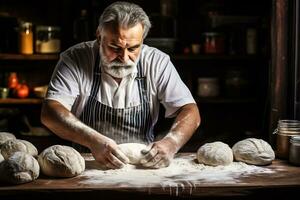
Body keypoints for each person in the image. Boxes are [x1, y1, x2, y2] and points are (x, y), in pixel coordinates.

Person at [41, 1, 201, 169]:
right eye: (115, 48)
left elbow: (190, 110)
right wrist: (92, 140)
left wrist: (171, 143)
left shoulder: (157, 62)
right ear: (99, 36)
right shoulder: (76, 58)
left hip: (143, 167)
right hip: (87, 164)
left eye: (132, 49)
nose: (124, 58)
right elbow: (50, 111)